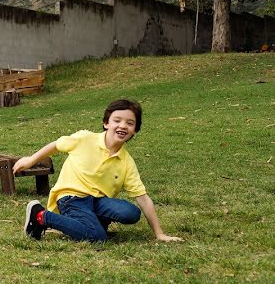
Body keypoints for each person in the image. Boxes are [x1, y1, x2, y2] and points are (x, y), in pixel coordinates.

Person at [13, 99, 182, 243]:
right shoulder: (85, 138)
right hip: (72, 198)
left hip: (98, 201)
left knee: (131, 213)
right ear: (106, 123)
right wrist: (30, 160)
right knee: (97, 237)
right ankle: (41, 216)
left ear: (135, 130)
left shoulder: (126, 161)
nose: (122, 126)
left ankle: (93, 223)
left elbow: (143, 198)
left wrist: (159, 234)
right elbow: (57, 145)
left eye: (130, 123)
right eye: (117, 120)